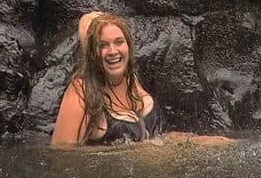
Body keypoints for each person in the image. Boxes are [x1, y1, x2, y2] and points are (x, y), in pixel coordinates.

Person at [49, 11, 233, 148]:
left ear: (128, 46)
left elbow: (157, 139)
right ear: (92, 53)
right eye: (103, 45)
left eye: (119, 42)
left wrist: (198, 142)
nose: (112, 51)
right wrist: (138, 153)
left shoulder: (130, 78)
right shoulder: (81, 91)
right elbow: (61, 155)